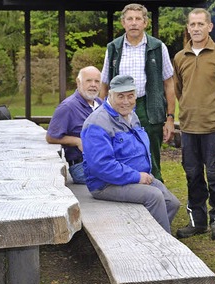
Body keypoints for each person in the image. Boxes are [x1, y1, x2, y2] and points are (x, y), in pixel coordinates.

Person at [173, 8, 215, 241]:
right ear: (188, 28)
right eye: (192, 24)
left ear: (209, 27)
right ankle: (198, 221)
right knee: (192, 175)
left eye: (201, 24)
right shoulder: (180, 57)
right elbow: (179, 90)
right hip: (189, 127)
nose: (196, 28)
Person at [81, 74, 180, 233]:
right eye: (120, 96)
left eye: (130, 96)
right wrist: (137, 177)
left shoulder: (131, 115)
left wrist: (140, 175)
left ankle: (146, 236)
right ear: (109, 95)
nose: (126, 101)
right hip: (106, 184)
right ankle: (160, 246)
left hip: (133, 177)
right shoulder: (97, 123)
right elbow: (101, 166)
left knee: (172, 203)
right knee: (154, 196)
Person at [100, 3, 176, 182]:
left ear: (145, 23)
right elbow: (104, 82)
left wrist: (170, 117)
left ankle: (158, 197)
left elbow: (169, 83)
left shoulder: (157, 47)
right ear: (123, 23)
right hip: (119, 109)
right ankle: (129, 199)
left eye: (138, 19)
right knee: (122, 154)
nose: (134, 23)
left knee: (151, 157)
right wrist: (102, 112)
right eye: (130, 19)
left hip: (148, 108)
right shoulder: (113, 48)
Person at [46, 66, 103, 184]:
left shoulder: (100, 103)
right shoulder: (68, 107)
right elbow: (51, 137)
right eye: (89, 81)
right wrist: (77, 141)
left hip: (102, 160)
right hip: (82, 166)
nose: (93, 85)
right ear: (78, 82)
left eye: (97, 81)